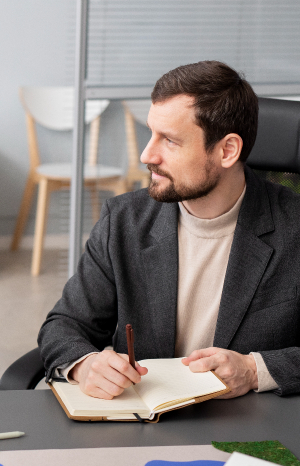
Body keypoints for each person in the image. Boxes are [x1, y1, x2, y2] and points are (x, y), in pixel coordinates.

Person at [39, 60, 300, 400]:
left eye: (170, 141)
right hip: (144, 425)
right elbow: (64, 325)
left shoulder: (293, 227)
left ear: (227, 150)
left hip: (253, 429)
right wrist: (85, 364)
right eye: (151, 133)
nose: (148, 155)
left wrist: (254, 371)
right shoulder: (123, 220)